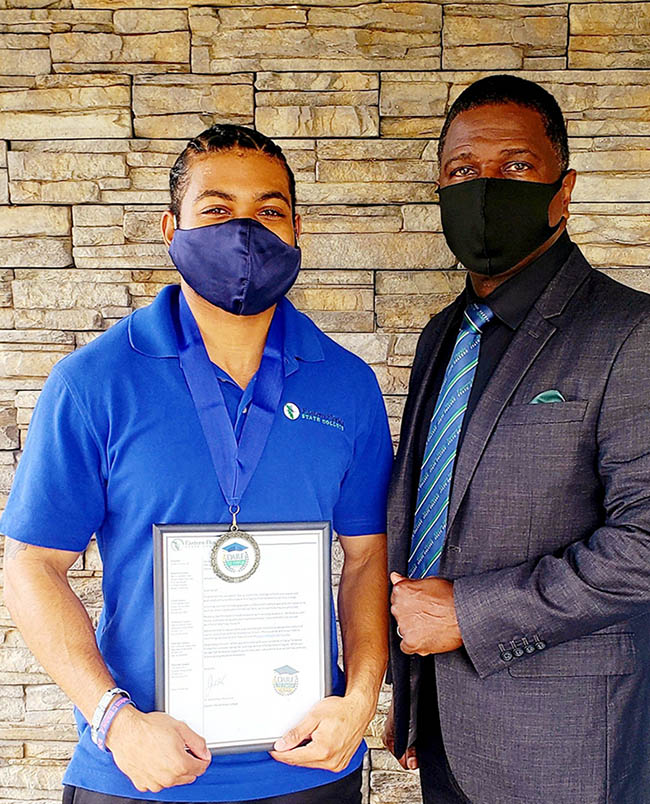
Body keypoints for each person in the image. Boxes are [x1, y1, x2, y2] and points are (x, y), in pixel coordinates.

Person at [1, 124, 393, 804]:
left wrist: (360, 701)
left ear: (297, 228)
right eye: (216, 209)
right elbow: (32, 565)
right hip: (139, 773)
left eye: (269, 211)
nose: (246, 230)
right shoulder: (93, 383)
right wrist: (114, 721)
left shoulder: (348, 384)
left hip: (308, 772)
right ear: (170, 227)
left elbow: (366, 558)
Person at [384, 74, 650, 804]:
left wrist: (468, 615)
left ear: (562, 190)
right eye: (463, 172)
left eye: (515, 167)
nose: (486, 187)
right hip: (444, 733)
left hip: (566, 749)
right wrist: (411, 698)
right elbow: (430, 511)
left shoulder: (632, 333)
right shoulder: (444, 334)